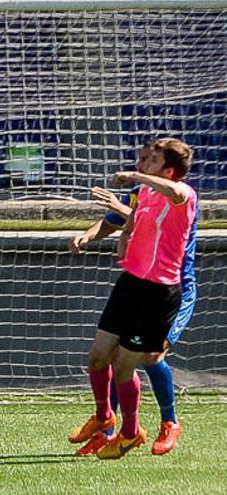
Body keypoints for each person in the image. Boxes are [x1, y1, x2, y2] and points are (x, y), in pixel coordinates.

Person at [68, 138, 196, 460]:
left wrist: (134, 181)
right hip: (132, 283)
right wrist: (90, 234)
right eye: (141, 160)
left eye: (149, 161)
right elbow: (126, 221)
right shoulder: (143, 194)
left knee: (145, 360)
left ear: (167, 170)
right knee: (99, 357)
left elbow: (173, 195)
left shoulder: (183, 194)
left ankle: (162, 424)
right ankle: (106, 421)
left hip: (165, 289)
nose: (141, 165)